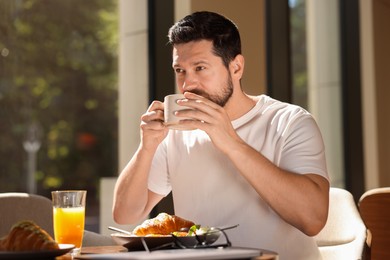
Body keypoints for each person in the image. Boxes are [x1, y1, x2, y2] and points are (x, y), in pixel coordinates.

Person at [113, 11, 329, 259]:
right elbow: (125, 214)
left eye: (200, 68)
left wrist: (231, 143)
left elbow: (313, 219)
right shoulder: (176, 132)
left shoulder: (290, 122)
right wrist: (147, 147)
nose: (187, 84)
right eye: (180, 70)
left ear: (236, 67)